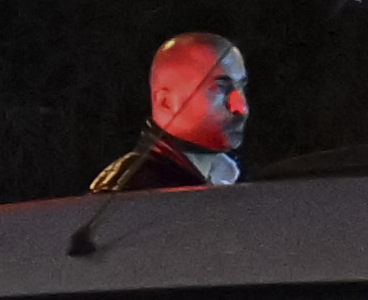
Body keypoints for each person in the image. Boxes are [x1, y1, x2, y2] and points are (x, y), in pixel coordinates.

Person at [89, 33, 249, 193]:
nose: (240, 107)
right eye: (220, 88)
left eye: (241, 87)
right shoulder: (128, 195)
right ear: (166, 101)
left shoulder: (234, 177)